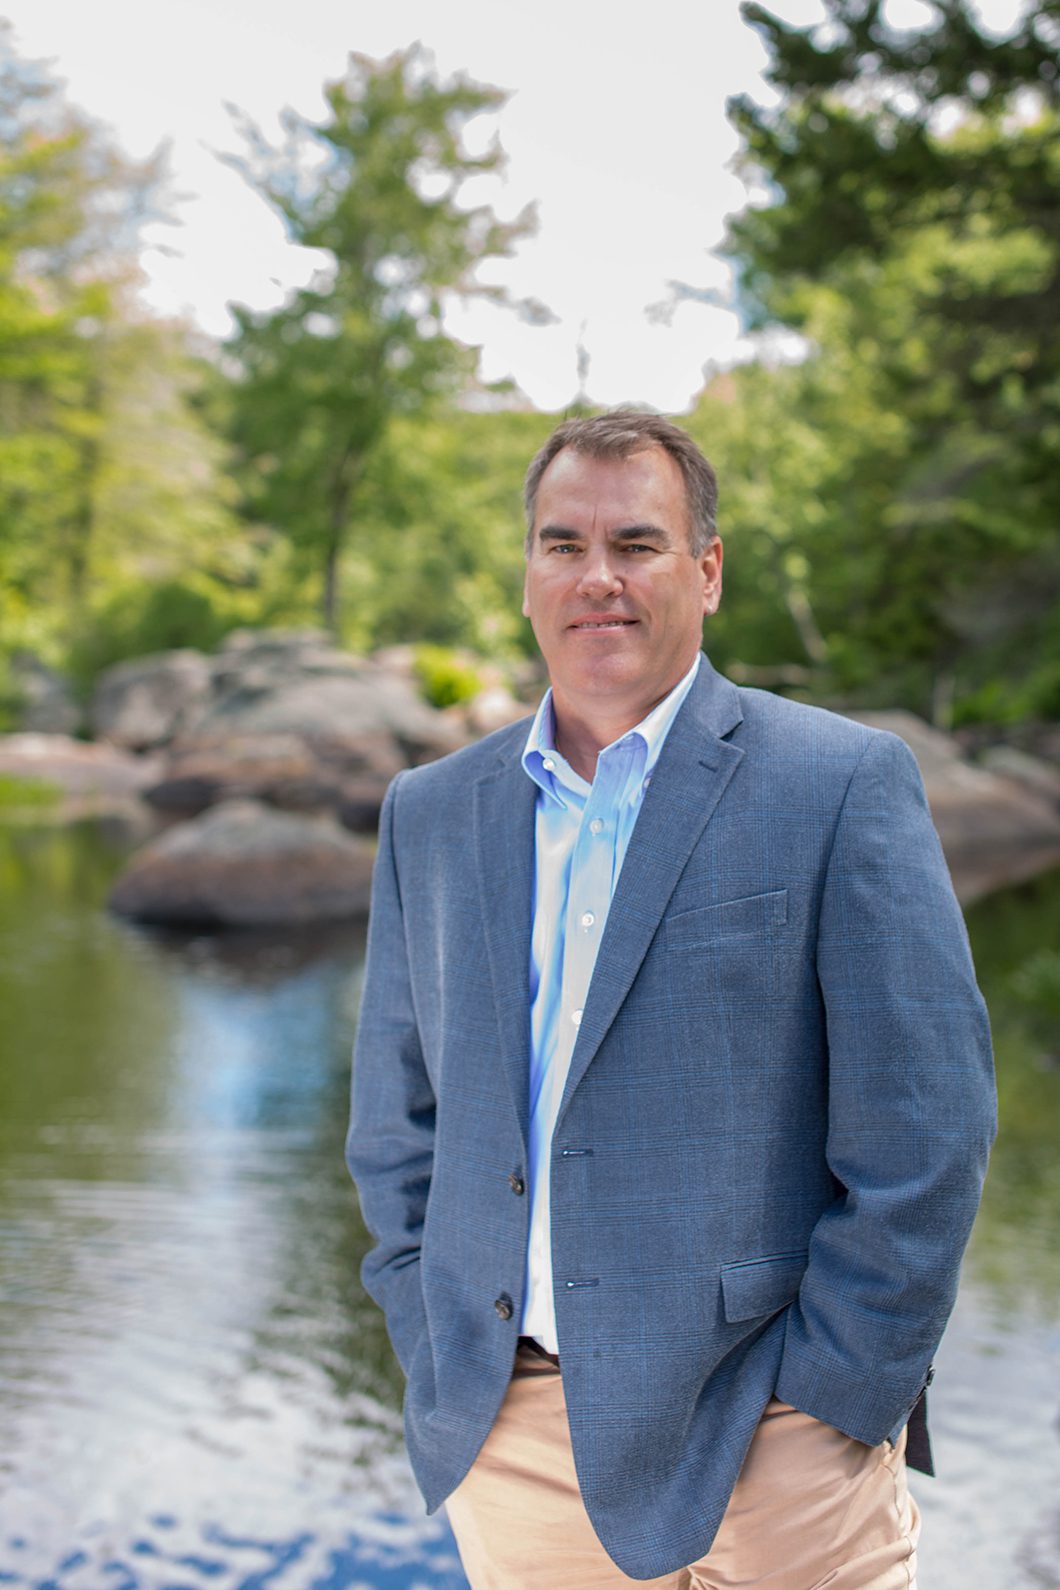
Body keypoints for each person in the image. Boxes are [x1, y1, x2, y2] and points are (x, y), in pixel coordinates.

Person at [346, 411, 996, 1588]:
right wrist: (427, 1325)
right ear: (528, 574)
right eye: (563, 544)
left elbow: (928, 1126)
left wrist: (839, 1393)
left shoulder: (838, 781)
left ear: (705, 571)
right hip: (514, 1436)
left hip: (774, 1435)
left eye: (637, 545)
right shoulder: (431, 813)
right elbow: (398, 1122)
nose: (597, 577)